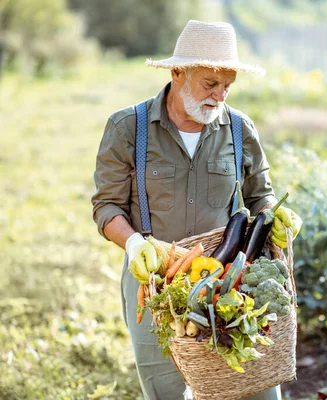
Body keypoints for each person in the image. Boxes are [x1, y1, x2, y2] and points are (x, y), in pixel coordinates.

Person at [92, 20, 299, 400]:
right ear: (177, 73)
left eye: (227, 87)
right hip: (154, 284)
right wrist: (136, 244)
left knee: (256, 389)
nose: (220, 96)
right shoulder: (127, 128)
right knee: (166, 391)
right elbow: (107, 206)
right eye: (210, 84)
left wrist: (278, 214)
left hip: (227, 283)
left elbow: (260, 197)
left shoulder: (240, 130)